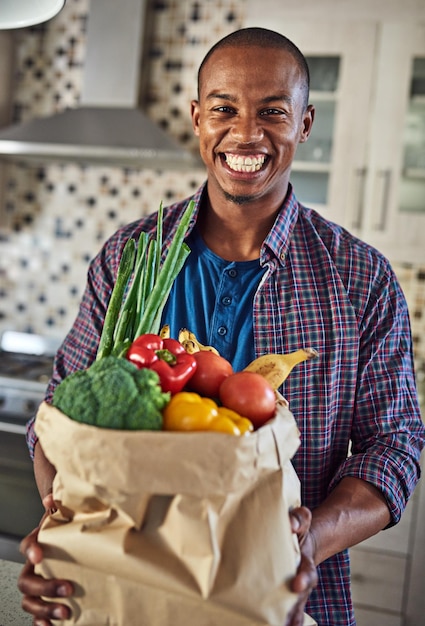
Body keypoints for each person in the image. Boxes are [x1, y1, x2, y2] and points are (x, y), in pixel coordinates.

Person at [18, 27, 424, 626]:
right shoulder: (130, 257)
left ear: (305, 124)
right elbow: (59, 415)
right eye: (224, 109)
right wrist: (63, 534)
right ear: (197, 119)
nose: (245, 134)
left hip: (285, 596)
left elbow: (396, 448)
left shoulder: (360, 279)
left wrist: (308, 541)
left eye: (273, 112)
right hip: (126, 594)